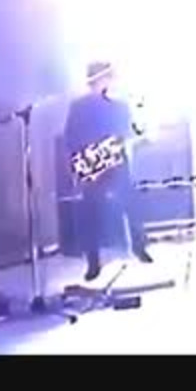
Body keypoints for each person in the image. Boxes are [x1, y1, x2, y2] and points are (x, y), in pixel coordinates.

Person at [64, 61, 153, 282]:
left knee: (130, 203)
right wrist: (81, 163)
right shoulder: (79, 106)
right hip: (91, 163)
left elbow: (127, 131)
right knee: (89, 211)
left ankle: (139, 247)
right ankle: (93, 261)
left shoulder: (120, 105)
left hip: (115, 160)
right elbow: (71, 136)